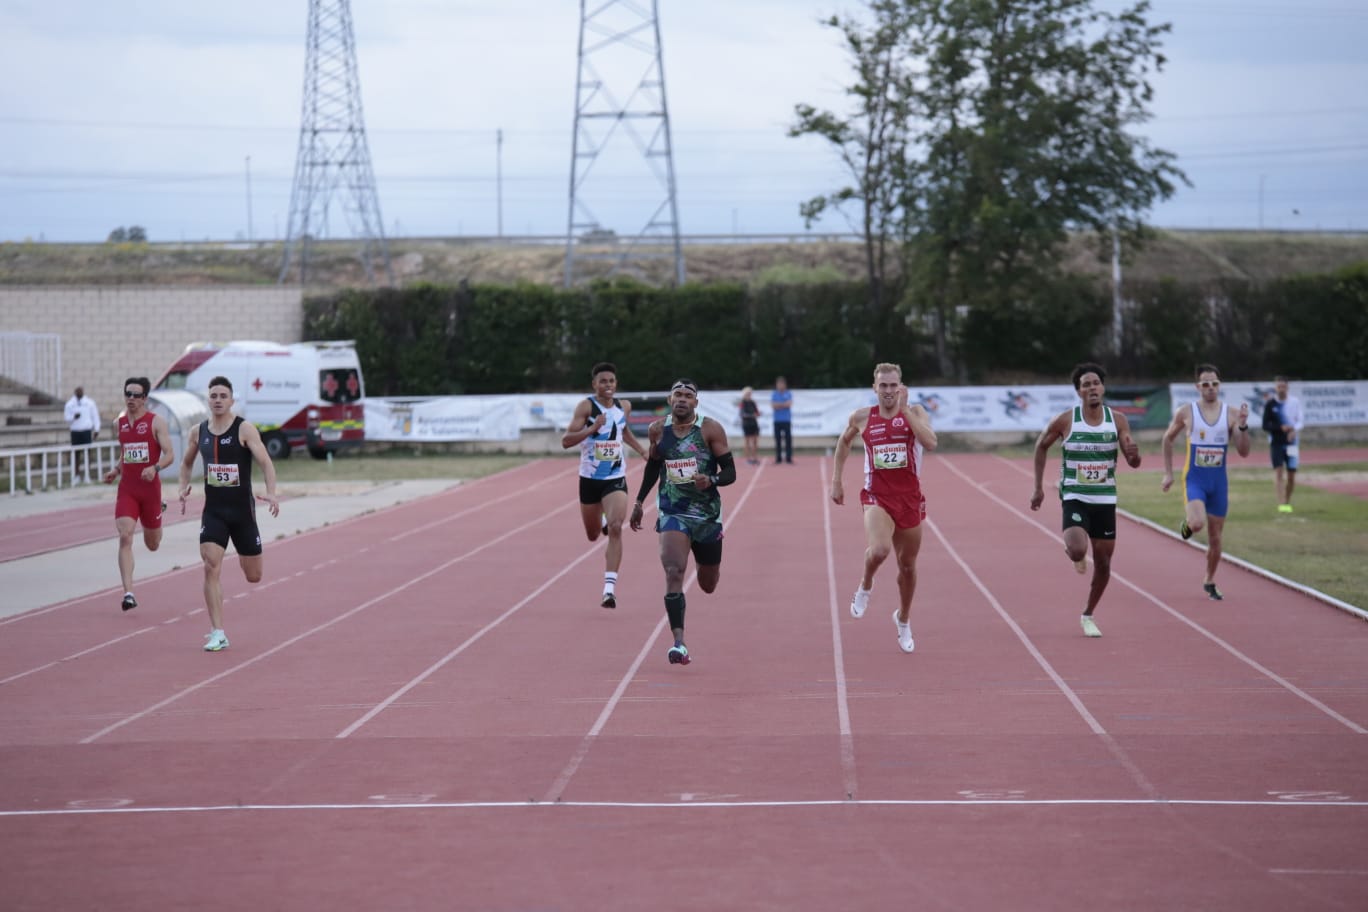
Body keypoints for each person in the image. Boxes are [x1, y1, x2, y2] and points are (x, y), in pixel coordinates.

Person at [1030, 363, 1142, 638]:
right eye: (1086, 385)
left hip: (1105, 498)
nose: (1092, 388)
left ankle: (1088, 614)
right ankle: (1075, 555)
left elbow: (1133, 461)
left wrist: (1134, 454)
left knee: (1103, 563)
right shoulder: (1066, 420)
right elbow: (1041, 446)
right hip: (1075, 496)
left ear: (1103, 387)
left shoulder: (1117, 420)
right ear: (1079, 392)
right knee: (1079, 550)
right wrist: (1038, 488)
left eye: (1096, 383)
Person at [629, 379, 736, 666]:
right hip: (672, 511)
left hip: (707, 515)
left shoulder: (710, 429)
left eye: (688, 396)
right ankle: (679, 642)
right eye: (678, 394)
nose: (682, 399)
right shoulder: (657, 430)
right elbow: (653, 466)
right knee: (674, 570)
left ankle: (705, 561)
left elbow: (730, 472)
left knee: (708, 583)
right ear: (669, 399)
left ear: (696, 403)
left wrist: (711, 479)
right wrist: (639, 502)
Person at [832, 363, 938, 653]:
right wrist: (836, 481)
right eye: (884, 386)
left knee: (907, 566)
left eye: (894, 386)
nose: (889, 391)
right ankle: (866, 584)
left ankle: (903, 618)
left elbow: (930, 442)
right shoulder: (863, 417)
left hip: (909, 499)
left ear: (901, 387)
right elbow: (843, 443)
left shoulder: (915, 413)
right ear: (874, 388)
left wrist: (905, 412)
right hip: (876, 496)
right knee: (879, 550)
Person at [177, 376, 280, 652]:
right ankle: (217, 632)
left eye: (223, 395)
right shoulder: (198, 432)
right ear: (208, 400)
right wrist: (183, 486)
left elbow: (266, 463)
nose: (218, 400)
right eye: (214, 396)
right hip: (214, 512)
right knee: (210, 565)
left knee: (253, 576)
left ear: (231, 400)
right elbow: (186, 463)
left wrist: (271, 492)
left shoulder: (244, 429)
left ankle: (242, 553)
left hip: (242, 514)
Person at [560, 361, 648, 608]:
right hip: (589, 479)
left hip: (615, 478)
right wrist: (593, 428)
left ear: (616, 383)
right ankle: (600, 520)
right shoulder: (586, 406)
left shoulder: (624, 406)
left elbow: (622, 430)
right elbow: (566, 441)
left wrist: (642, 450)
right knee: (592, 535)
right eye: (603, 381)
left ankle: (609, 590)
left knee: (618, 526)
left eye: (611, 381)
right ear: (594, 384)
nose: (608, 385)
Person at [1161, 363, 1251, 601]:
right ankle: (1188, 525)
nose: (1210, 388)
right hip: (1195, 480)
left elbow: (1243, 451)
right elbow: (1167, 439)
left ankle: (1209, 579)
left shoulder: (1231, 414)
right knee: (1198, 523)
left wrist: (1242, 425)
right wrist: (1168, 473)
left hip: (1219, 483)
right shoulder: (1186, 412)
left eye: (1215, 384)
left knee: (1216, 538)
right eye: (1206, 384)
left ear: (1219, 385)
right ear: (1197, 387)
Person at [101, 377, 174, 611]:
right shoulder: (118, 423)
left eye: (135, 395)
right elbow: (127, 453)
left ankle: (159, 509)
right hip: (128, 490)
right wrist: (116, 470)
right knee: (125, 536)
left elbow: (170, 455)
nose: (130, 398)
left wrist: (155, 468)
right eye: (127, 394)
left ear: (144, 398)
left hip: (150, 490)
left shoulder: (156, 423)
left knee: (153, 544)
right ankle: (128, 593)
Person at [1262, 375, 1304, 513]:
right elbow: (1265, 425)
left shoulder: (1294, 402)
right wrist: (1280, 428)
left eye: (1283, 386)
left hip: (1292, 443)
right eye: (1278, 386)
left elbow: (1300, 421)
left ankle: (1287, 500)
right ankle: (1282, 504)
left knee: (1291, 475)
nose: (1281, 389)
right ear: (1275, 387)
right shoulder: (1270, 404)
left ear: (1287, 387)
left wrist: (1293, 430)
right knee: (1278, 472)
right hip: (1276, 443)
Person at [64, 385, 101, 481]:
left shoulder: (89, 403)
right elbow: (67, 418)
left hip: (86, 431)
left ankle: (87, 475)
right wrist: (73, 417)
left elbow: (95, 416)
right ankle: (76, 475)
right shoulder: (70, 404)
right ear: (75, 392)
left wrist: (96, 429)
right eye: (77, 391)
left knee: (87, 454)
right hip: (75, 431)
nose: (79, 393)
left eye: (80, 391)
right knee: (76, 454)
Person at [771, 376, 793, 464]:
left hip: (786, 420)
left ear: (785, 385)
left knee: (788, 440)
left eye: (781, 384)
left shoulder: (788, 393)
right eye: (778, 384)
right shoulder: (774, 394)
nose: (780, 386)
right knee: (778, 440)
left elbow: (789, 404)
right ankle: (778, 458)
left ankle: (788, 458)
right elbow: (773, 406)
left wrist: (779, 405)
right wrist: (783, 404)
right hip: (777, 420)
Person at [738, 386, 762, 465]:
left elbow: (757, 412)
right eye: (747, 393)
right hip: (746, 424)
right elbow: (742, 414)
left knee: (755, 441)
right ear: (744, 394)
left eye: (750, 393)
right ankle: (748, 459)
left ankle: (754, 458)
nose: (749, 395)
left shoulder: (753, 402)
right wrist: (752, 415)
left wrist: (758, 414)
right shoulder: (742, 403)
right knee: (747, 442)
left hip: (754, 423)